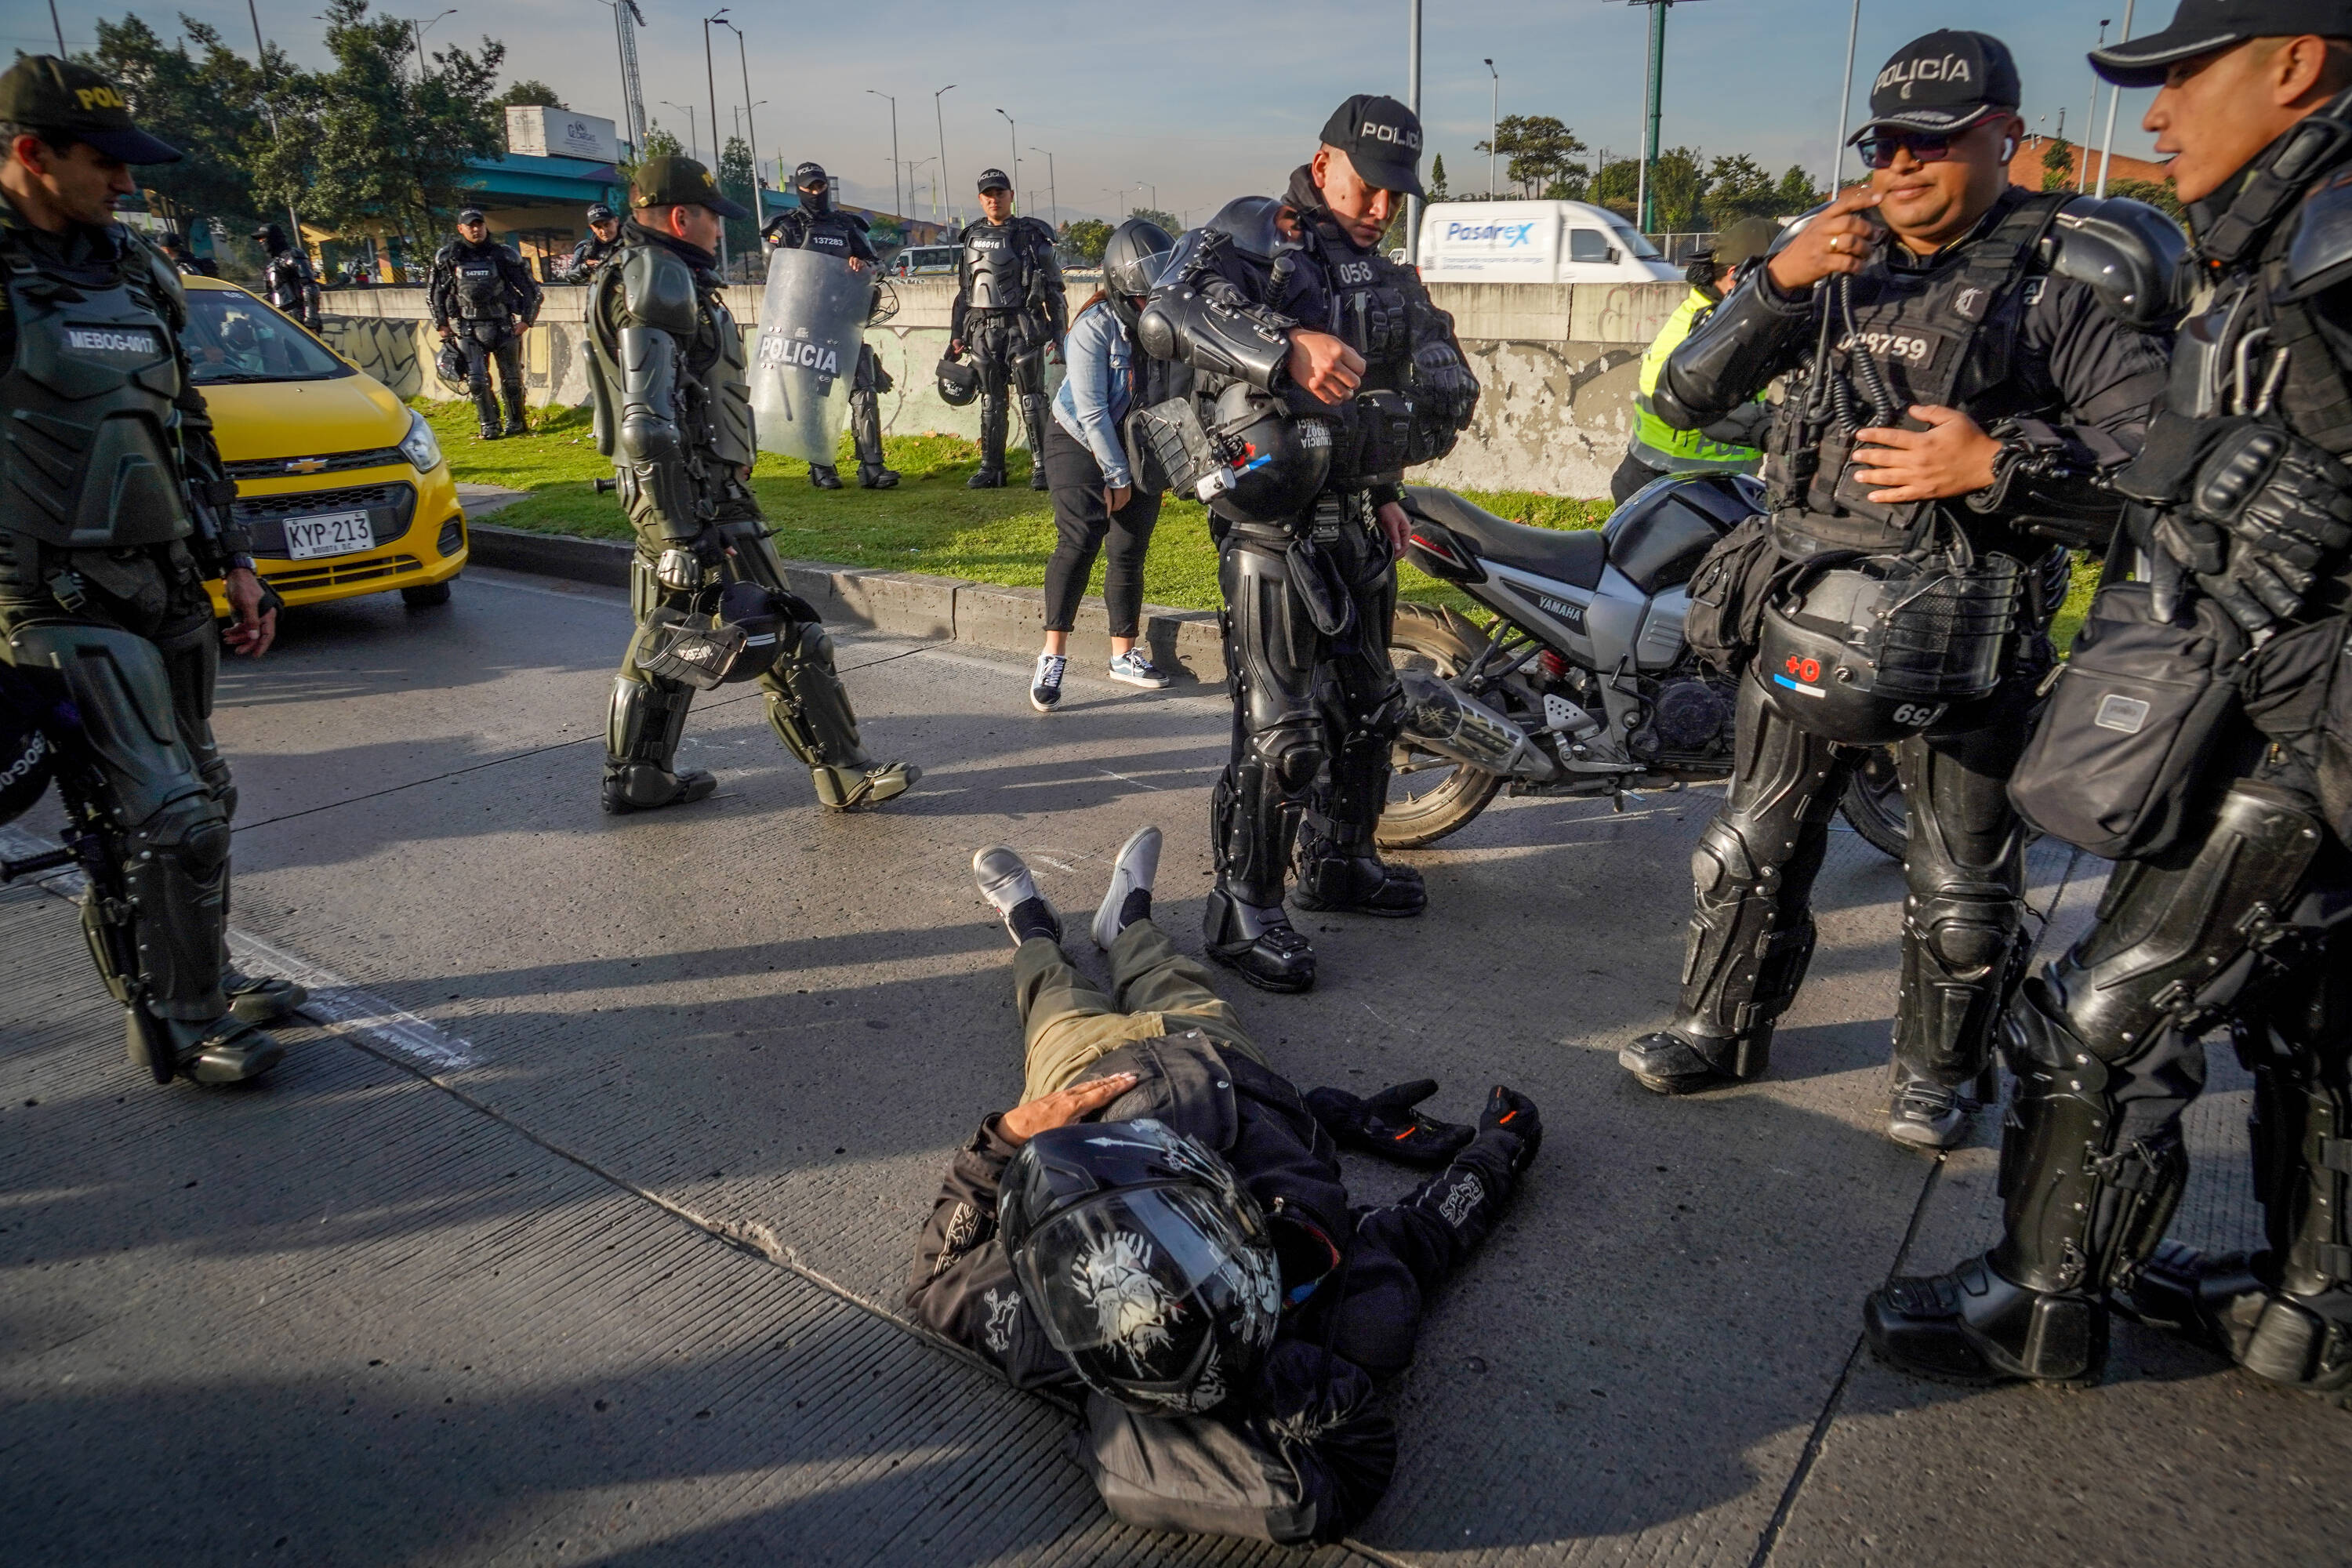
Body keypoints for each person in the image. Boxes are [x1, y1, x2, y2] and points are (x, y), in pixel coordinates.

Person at [1868, 5, 2352, 1392]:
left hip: (2298, 715)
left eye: (2184, 75)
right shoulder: (2283, 237)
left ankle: (2041, 1301)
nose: (2156, 115)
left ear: (2298, 61)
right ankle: (2309, 1299)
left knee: (2096, 1012)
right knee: (2309, 1016)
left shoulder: (2330, 243)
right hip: (2278, 706)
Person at [1615, 29, 2176, 1147]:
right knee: (1749, 842)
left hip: (1962, 628)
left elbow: (2161, 475)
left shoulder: (2064, 273)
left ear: (2006, 135)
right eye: (1886, 143)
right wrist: (1774, 284)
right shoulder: (1834, 261)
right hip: (1809, 599)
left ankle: (1937, 1075)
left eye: (1935, 140)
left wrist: (1994, 468)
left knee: (1961, 879)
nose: (1902, 164)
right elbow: (1682, 397)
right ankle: (1718, 1027)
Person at [909, 827, 1541, 1546]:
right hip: (1219, 1063)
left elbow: (933, 1286)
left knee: (1054, 996)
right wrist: (1503, 1147)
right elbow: (1430, 1234)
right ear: (1240, 1233)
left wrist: (1007, 1140)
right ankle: (1130, 924)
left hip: (1078, 1079)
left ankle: (1031, 927)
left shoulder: (1048, 1329)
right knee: (1172, 979)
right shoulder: (1341, 1302)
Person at [0, 56, 304, 1084]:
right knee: (162, 811)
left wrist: (236, 563)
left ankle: (207, 976)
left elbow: (188, 428)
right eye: (103, 163)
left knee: (204, 800)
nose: (124, 183)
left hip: (166, 576)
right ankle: (180, 1020)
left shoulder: (134, 271)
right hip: (52, 591)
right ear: (32, 155)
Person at [1135, 93, 1479, 992]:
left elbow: (1386, 393)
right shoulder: (1260, 233)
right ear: (1324, 161)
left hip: (1360, 519)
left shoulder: (1382, 271)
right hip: (1271, 528)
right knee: (1283, 731)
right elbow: (1169, 305)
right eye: (1367, 188)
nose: (1378, 209)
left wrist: (1389, 491)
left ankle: (1340, 860)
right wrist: (1285, 345)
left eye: (1395, 197)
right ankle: (1243, 909)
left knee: (1374, 709)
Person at [586, 155, 918, 815]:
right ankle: (842, 772)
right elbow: (647, 422)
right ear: (681, 217)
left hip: (670, 490)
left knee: (672, 634)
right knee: (784, 626)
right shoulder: (659, 277)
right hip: (695, 492)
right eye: (712, 218)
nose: (720, 232)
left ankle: (637, 776)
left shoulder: (628, 271)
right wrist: (683, 527)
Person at [1029, 218, 1180, 713]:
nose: (1148, 306)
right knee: (1081, 538)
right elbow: (1092, 410)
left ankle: (1124, 655)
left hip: (1137, 441)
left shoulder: (1170, 320)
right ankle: (1053, 655)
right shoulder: (1093, 327)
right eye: (1140, 298)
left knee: (1129, 546)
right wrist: (1115, 477)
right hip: (1077, 437)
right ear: (1118, 288)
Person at [1610, 216, 1779, 504]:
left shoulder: (1731, 320)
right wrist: (1778, 429)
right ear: (1737, 275)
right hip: (1682, 488)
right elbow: (1697, 409)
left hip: (1690, 481)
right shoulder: (1713, 333)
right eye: (1783, 277)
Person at [760, 162, 899, 491]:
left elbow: (879, 265)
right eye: (808, 187)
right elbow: (777, 276)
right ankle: (821, 467)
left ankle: (872, 467)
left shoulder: (847, 226)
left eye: (819, 185)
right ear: (799, 188)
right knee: (813, 397)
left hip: (846, 323)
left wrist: (862, 266)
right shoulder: (787, 227)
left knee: (864, 391)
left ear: (827, 186)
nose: (814, 192)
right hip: (807, 326)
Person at [948, 168, 1065, 490]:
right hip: (982, 330)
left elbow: (1055, 291)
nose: (994, 199)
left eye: (1000, 193)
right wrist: (955, 336)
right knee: (990, 400)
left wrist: (1060, 337)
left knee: (1033, 399)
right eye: (988, 194)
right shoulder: (970, 236)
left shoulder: (1031, 237)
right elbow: (963, 292)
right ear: (980, 199)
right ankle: (992, 468)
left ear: (1011, 196)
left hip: (1022, 327)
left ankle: (1043, 467)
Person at [429, 206, 542, 441]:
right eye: (470, 225)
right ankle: (489, 425)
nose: (475, 229)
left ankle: (516, 423)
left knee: (512, 381)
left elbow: (532, 290)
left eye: (479, 224)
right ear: (461, 229)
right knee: (477, 381)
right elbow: (434, 294)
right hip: (469, 328)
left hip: (503, 326)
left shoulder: (504, 255)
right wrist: (441, 324)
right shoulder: (449, 257)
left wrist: (527, 321)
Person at [252, 221, 319, 331]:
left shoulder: (293, 255)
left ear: (273, 238)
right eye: (260, 240)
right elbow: (273, 295)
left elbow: (310, 286)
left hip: (299, 317)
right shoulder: (272, 266)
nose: (261, 242)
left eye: (263, 239)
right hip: (282, 320)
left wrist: (311, 319)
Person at [568, 203, 623, 280]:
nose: (604, 231)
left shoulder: (632, 243)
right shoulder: (585, 248)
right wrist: (584, 268)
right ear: (592, 228)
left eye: (607, 225)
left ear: (616, 221)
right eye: (598, 227)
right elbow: (571, 278)